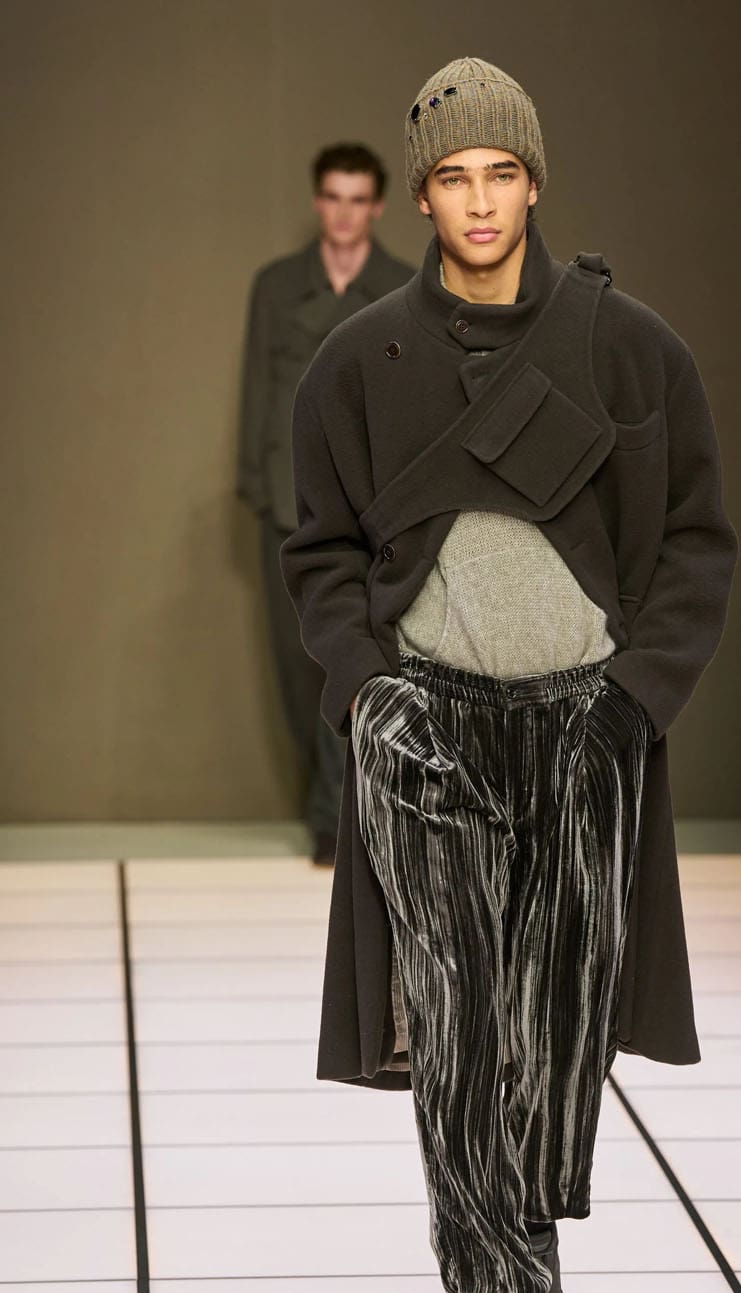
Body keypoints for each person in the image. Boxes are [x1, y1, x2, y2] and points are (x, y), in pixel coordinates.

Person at [280, 58, 739, 1293]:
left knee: (560, 1021)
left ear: (534, 184)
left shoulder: (632, 350)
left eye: (501, 173)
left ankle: (526, 1229)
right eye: (454, 177)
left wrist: (636, 703)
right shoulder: (358, 364)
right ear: (422, 198)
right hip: (428, 724)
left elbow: (695, 542)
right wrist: (372, 696)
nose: (478, 200)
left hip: (585, 724)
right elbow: (319, 553)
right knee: (460, 1016)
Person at [237, 143, 414, 864]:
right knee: (294, 663)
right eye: (333, 198)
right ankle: (329, 804)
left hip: (370, 503)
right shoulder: (277, 284)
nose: (344, 213)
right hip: (285, 500)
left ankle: (335, 818)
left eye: (357, 199)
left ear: (377, 206)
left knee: (356, 653)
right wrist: (252, 482)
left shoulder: (403, 286)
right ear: (318, 202)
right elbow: (256, 383)